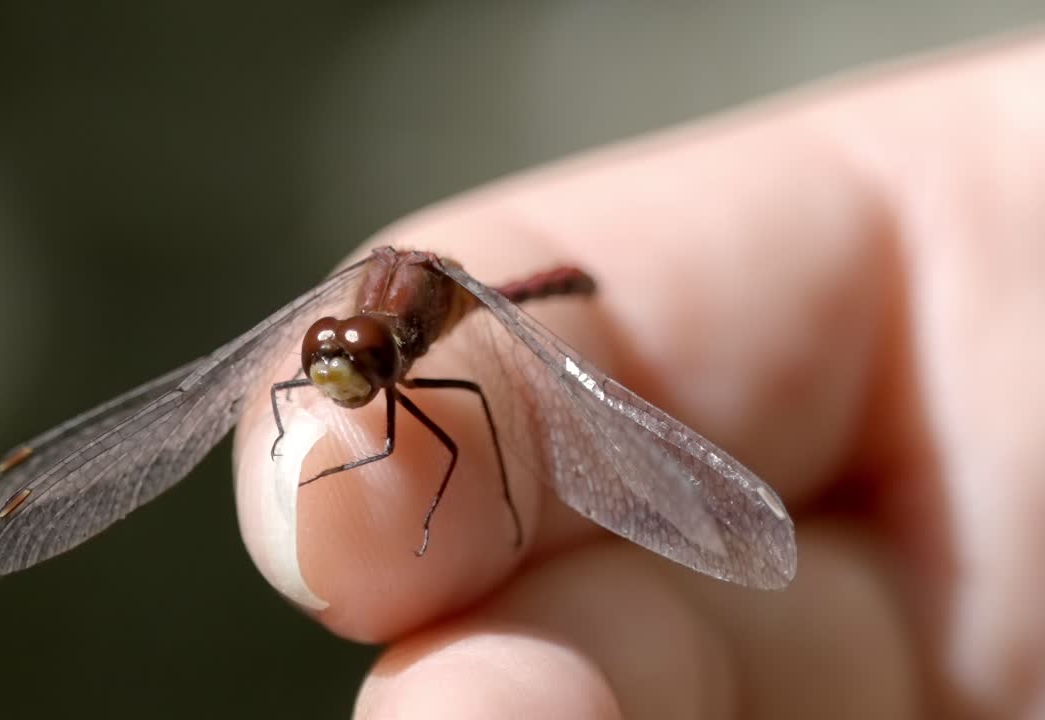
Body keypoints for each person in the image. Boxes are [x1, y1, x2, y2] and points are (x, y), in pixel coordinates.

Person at [234, 35, 1045, 719]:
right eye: (331, 358)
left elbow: (436, 453)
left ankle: (513, 503)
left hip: (533, 289)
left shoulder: (424, 325)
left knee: (466, 426)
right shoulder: (347, 330)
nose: (338, 372)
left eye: (358, 361)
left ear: (392, 349)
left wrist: (357, 472)